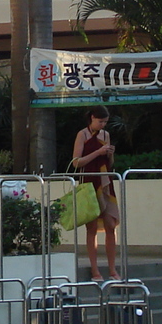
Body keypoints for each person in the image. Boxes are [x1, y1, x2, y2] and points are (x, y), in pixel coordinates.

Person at [70, 106, 119, 279]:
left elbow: (109, 163)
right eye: (100, 121)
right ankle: (94, 269)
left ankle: (112, 268)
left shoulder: (105, 135)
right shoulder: (82, 134)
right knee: (91, 227)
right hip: (89, 181)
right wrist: (98, 152)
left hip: (104, 180)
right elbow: (76, 162)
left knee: (110, 225)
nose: (103, 125)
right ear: (92, 118)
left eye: (105, 122)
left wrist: (109, 154)